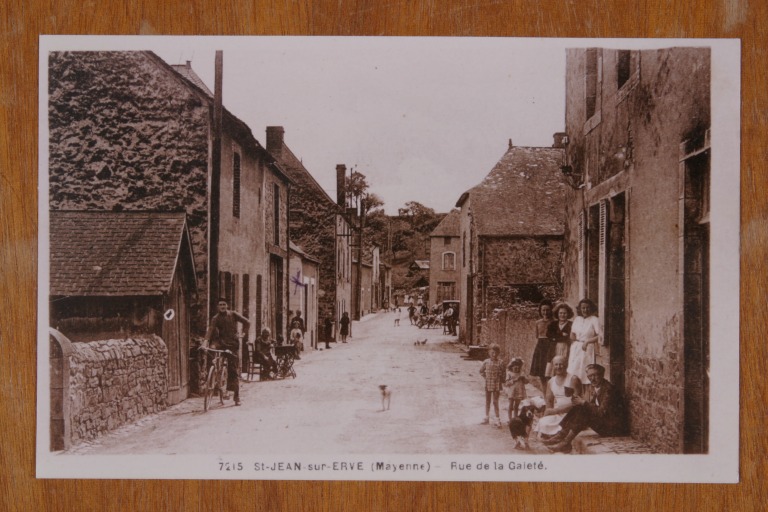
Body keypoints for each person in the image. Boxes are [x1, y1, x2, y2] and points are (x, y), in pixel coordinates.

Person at [545, 363, 628, 453]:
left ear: (602, 375)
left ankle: (565, 441)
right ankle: (561, 435)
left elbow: (601, 412)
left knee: (583, 409)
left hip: (614, 428)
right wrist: (582, 403)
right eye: (590, 376)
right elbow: (592, 407)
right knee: (579, 407)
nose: (592, 379)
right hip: (606, 423)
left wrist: (584, 402)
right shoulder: (597, 387)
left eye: (595, 375)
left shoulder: (608, 389)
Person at [204, 299, 250, 406]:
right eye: (220, 305)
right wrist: (206, 341)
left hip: (233, 345)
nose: (222, 306)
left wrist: (243, 334)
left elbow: (247, 322)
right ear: (217, 307)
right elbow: (210, 329)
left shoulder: (233, 314)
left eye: (224, 304)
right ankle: (216, 377)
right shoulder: (215, 318)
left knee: (233, 370)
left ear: (227, 305)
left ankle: (236, 397)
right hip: (222, 343)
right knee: (211, 351)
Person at [534, 355, 582, 439]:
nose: (558, 367)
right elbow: (549, 403)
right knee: (543, 422)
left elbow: (576, 404)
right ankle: (552, 438)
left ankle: (557, 438)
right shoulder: (551, 382)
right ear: (553, 366)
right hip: (557, 414)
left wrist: (555, 410)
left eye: (561, 364)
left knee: (563, 425)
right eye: (556, 364)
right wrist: (547, 415)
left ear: (566, 365)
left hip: (571, 414)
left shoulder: (573, 379)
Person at [568, 298, 602, 385]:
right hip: (576, 348)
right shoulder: (577, 319)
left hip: (588, 348)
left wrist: (587, 341)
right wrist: (575, 343)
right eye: (583, 308)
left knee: (585, 372)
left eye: (587, 308)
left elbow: (600, 336)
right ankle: (576, 395)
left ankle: (586, 395)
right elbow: (572, 334)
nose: (585, 310)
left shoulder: (594, 319)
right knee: (574, 371)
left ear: (591, 308)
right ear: (580, 309)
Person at [479, 343, 506, 428]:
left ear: (498, 353)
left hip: (497, 385)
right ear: (489, 352)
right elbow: (481, 371)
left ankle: (497, 419)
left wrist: (501, 380)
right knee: (487, 401)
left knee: (495, 401)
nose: (494, 355)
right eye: (492, 353)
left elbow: (503, 374)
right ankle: (486, 417)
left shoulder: (500, 362)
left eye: (496, 353)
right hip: (488, 384)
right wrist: (486, 377)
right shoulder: (486, 362)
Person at [530, 299, 554, 389]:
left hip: (550, 346)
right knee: (541, 374)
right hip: (540, 347)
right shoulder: (538, 323)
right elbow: (537, 336)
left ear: (551, 310)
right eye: (543, 310)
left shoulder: (554, 322)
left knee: (549, 373)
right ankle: (545, 397)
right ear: (540, 311)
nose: (545, 312)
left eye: (547, 310)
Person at [504, 357, 528, 422]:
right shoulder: (509, 373)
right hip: (512, 392)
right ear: (512, 367)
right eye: (515, 367)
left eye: (518, 367)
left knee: (516, 406)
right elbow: (506, 383)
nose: (517, 368)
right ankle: (510, 419)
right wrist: (514, 380)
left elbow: (527, 382)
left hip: (519, 391)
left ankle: (515, 418)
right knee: (511, 405)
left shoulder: (521, 373)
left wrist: (524, 379)